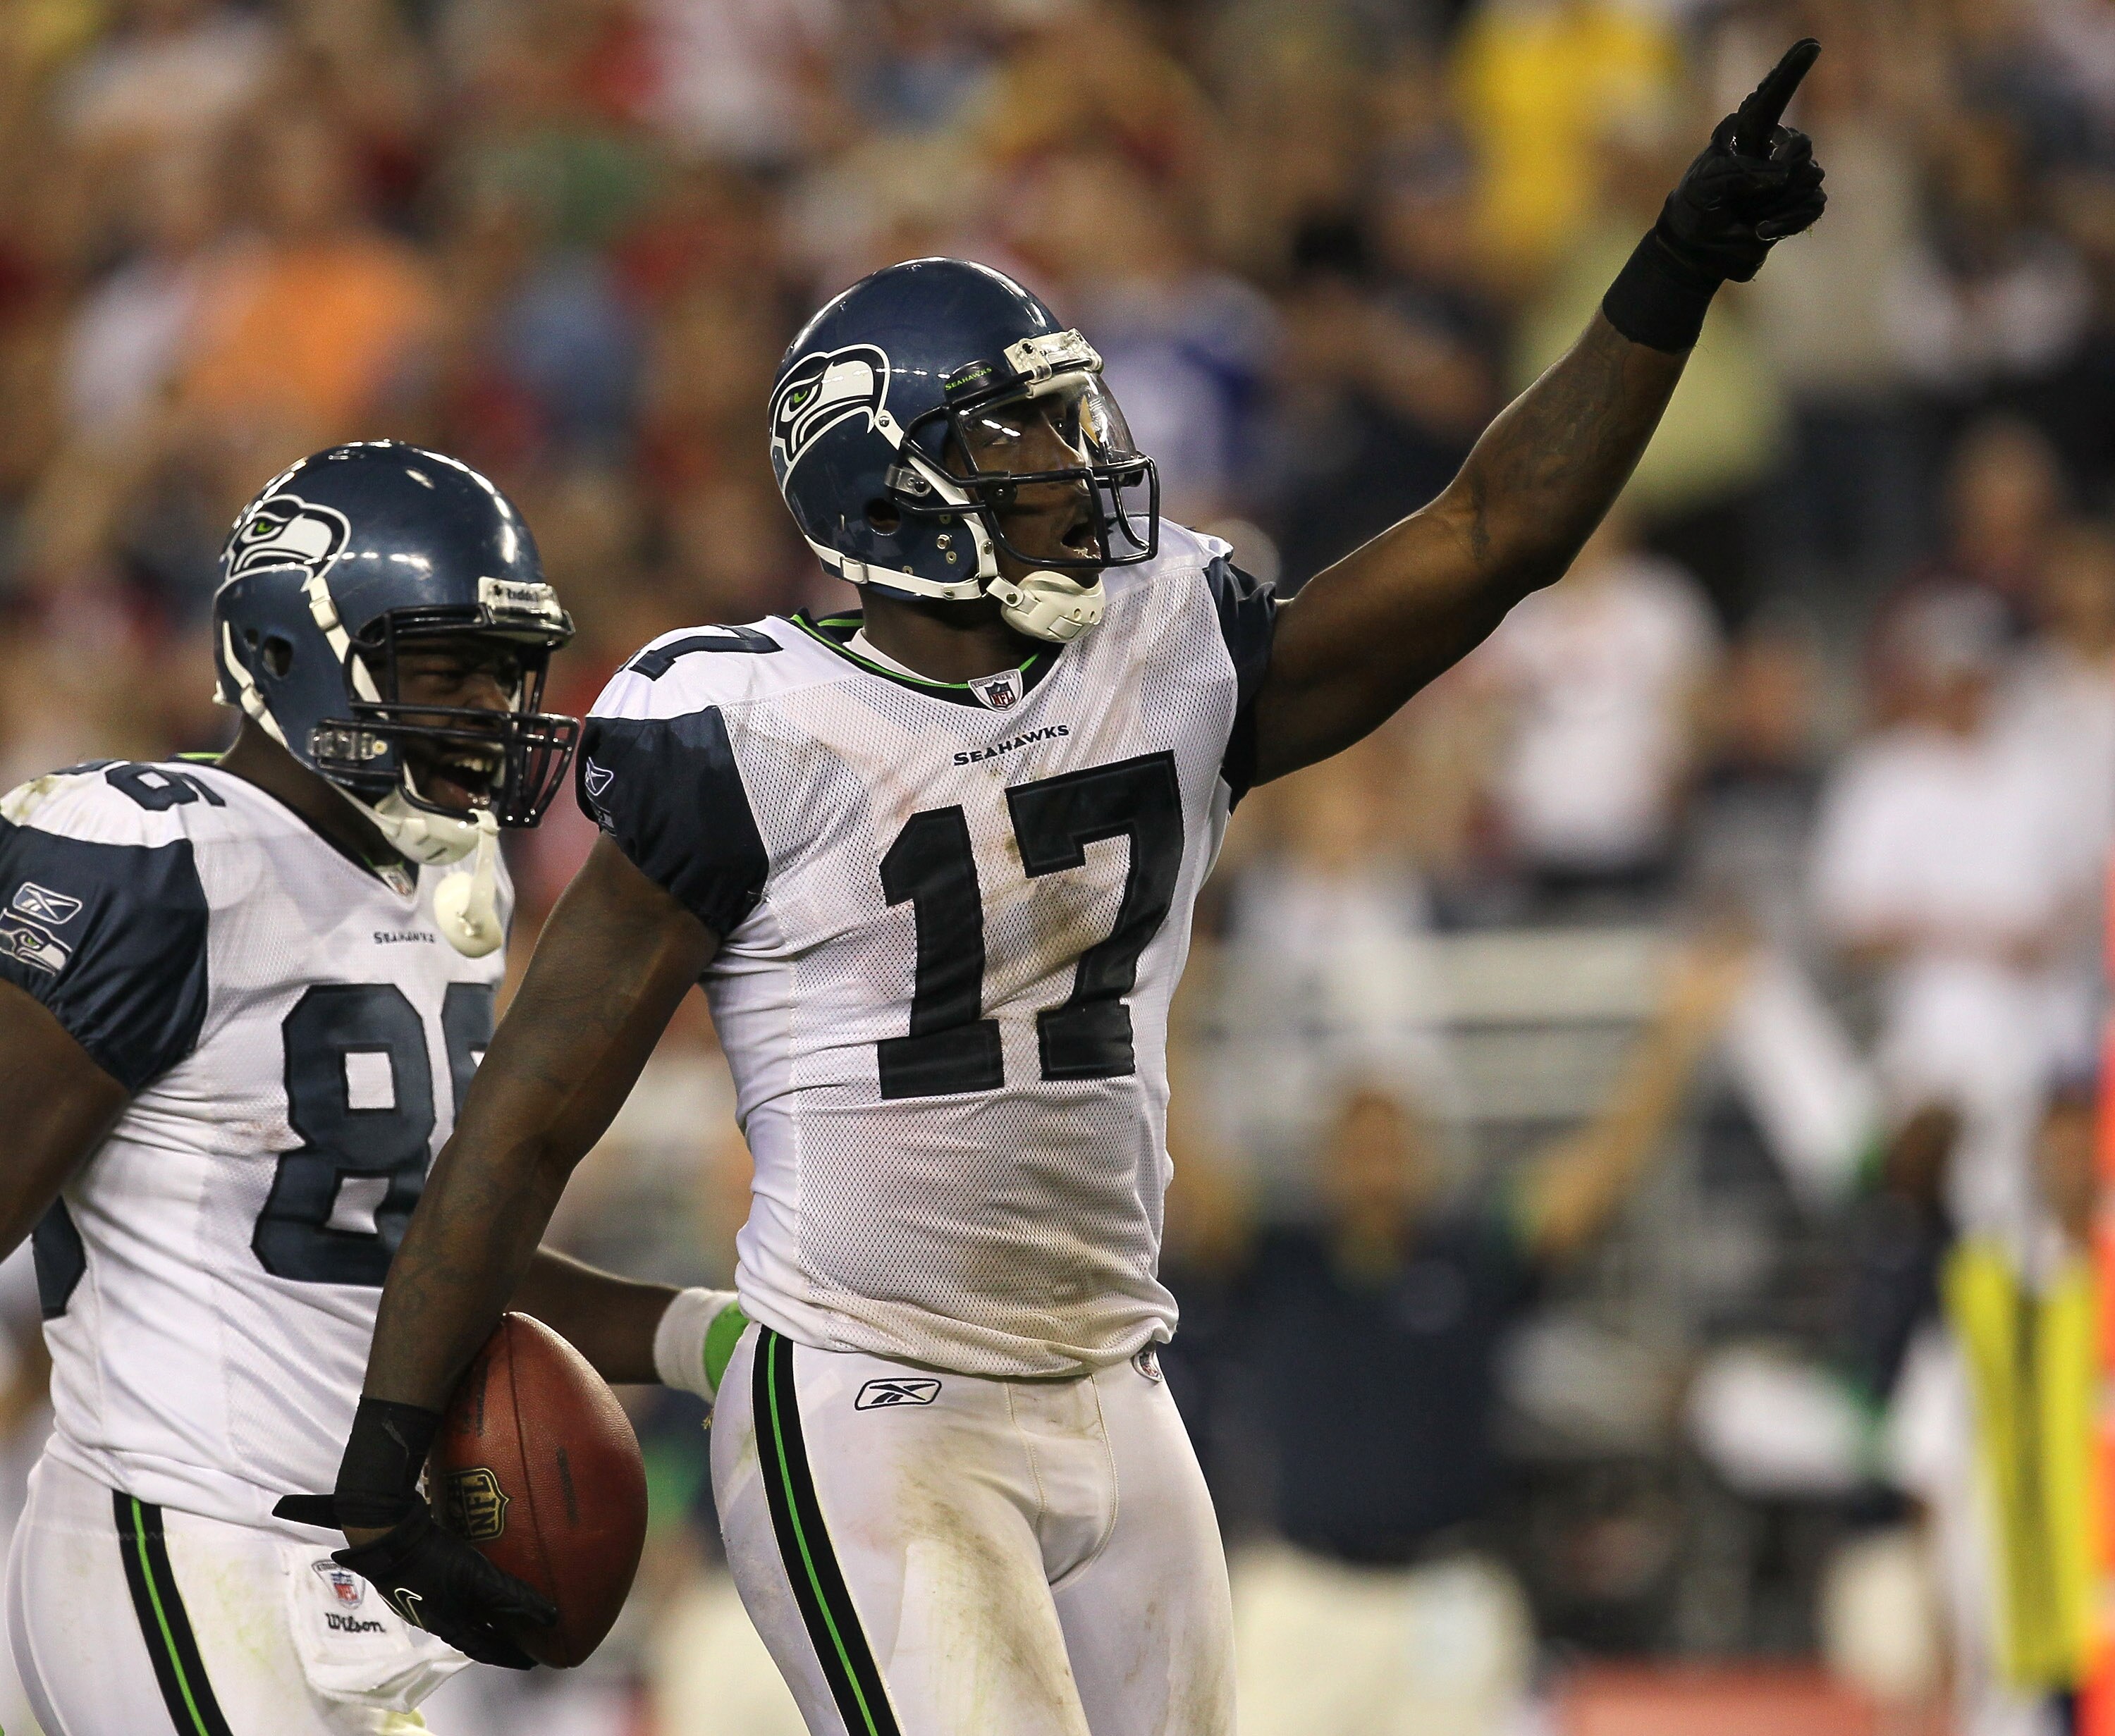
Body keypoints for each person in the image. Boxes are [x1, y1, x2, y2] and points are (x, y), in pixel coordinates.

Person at [315, 45, 1829, 1736]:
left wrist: (1674, 261)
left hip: (1113, 1376)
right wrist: (382, 1465)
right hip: (874, 1396)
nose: (1076, 453)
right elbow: (522, 1118)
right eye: (1019, 427)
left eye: (1063, 410)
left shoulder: (1159, 646)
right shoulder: (742, 730)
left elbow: (1493, 533)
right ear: (883, 479)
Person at [0, 442, 738, 1733]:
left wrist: (706, 1338)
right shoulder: (158, 857)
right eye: (440, 668)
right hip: (181, 1530)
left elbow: (423, 1245)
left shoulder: (454, 882)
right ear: (287, 649)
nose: (488, 710)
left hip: (356, 1562)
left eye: (507, 672)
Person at [1230, 937, 1751, 1736]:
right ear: (1325, 1158)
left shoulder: (1473, 1254)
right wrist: (1154, 1003)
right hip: (1306, 1594)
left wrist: (1674, 1040)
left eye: (1393, 1137)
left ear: (1427, 1153)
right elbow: (1177, 1175)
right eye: (1358, 1139)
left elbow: (1601, 1172)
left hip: (1447, 1590)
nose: (1377, 1159)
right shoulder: (1277, 1258)